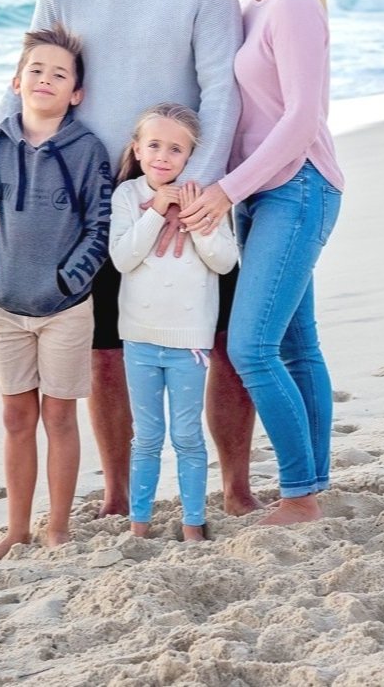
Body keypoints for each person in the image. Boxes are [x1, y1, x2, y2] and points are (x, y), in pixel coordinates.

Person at [0, 0, 257, 518]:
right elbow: (27, 80)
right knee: (106, 352)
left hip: (187, 194)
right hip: (89, 202)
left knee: (219, 345)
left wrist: (189, 191)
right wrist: (0, 163)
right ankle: (116, 497)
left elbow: (220, 91)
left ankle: (234, 487)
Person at [181, 0, 344, 527]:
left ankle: (299, 495)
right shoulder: (254, 6)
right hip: (261, 193)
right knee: (297, 345)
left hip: (297, 188)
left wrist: (226, 190)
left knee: (251, 348)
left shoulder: (297, 3)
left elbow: (302, 118)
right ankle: (313, 486)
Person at [0, 24, 112, 559]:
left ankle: (58, 527)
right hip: (6, 307)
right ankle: (16, 529)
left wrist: (71, 278)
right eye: (36, 70)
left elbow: (99, 227)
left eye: (59, 74)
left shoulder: (88, 151)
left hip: (66, 309)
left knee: (60, 417)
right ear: (16, 81)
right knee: (16, 418)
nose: (46, 79)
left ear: (76, 93)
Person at [109, 104, 238, 542]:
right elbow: (123, 258)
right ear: (138, 149)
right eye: (155, 145)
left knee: (187, 436)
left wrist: (194, 219)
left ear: (190, 157)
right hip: (139, 339)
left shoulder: (206, 197)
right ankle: (140, 525)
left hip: (190, 343)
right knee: (146, 438)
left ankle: (193, 525)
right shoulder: (127, 196)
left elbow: (224, 261)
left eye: (176, 149)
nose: (164, 156)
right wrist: (154, 210)